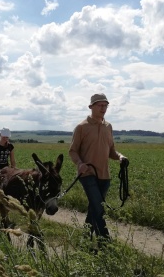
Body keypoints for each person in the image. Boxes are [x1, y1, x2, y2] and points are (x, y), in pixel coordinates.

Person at [68, 93, 127, 245]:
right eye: (100, 105)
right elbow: (72, 151)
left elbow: (111, 151)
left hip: (104, 176)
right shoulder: (82, 127)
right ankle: (105, 245)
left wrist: (120, 157)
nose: (103, 108)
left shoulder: (108, 127)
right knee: (99, 209)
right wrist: (80, 164)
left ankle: (85, 240)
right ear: (91, 107)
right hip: (87, 174)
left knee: (94, 208)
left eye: (105, 105)